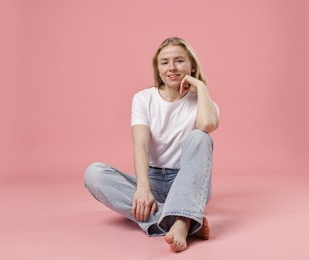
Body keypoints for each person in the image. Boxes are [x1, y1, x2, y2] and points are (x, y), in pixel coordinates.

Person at [84, 37, 220, 252]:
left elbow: (207, 124)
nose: (172, 68)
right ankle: (185, 220)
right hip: (153, 179)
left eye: (179, 61)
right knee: (94, 173)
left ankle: (182, 223)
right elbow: (142, 146)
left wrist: (200, 86)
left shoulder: (203, 103)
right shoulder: (143, 98)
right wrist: (143, 188)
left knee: (201, 137)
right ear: (158, 68)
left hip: (187, 181)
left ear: (192, 65)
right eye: (164, 62)